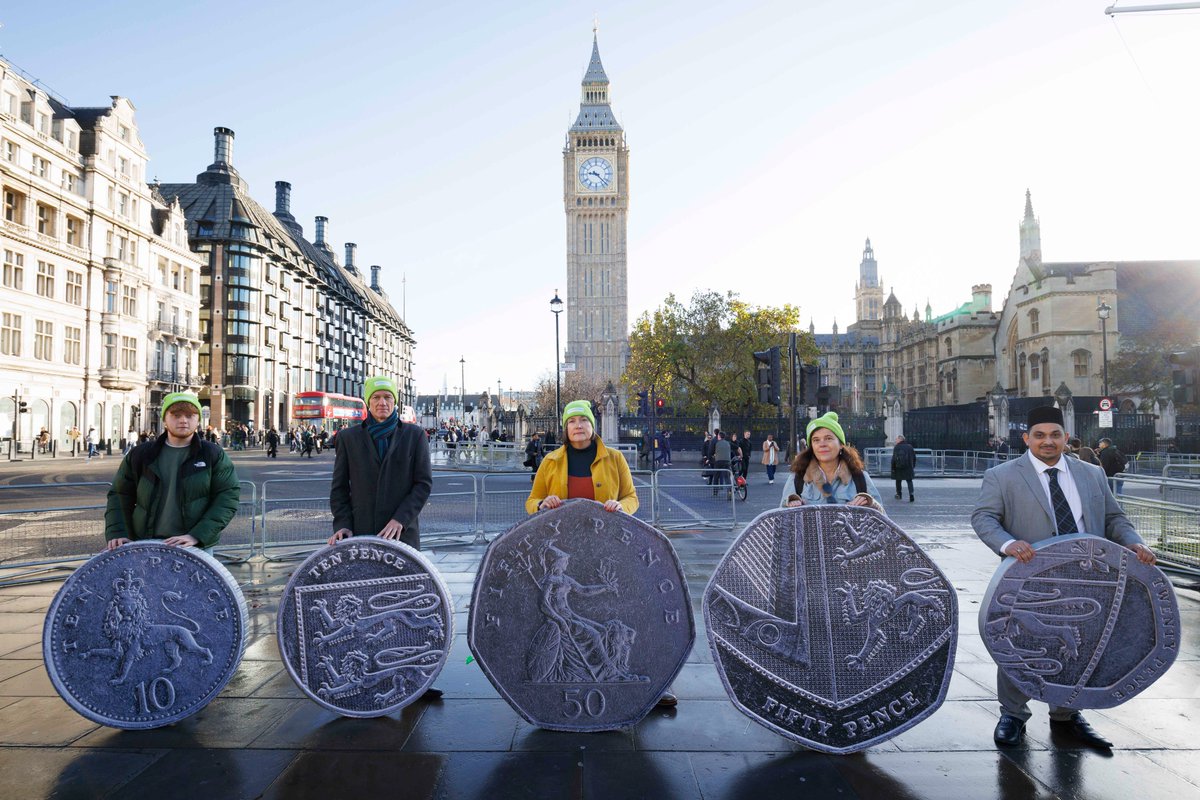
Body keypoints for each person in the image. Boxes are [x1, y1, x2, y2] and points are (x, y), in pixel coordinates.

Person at [971, 405, 1155, 750]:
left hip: (1086, 578)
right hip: (1028, 576)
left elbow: (1115, 518)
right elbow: (984, 518)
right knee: (1018, 643)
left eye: (1055, 435)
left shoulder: (1091, 473)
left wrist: (1135, 543)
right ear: (1026, 438)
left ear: (1065, 437)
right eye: (1039, 435)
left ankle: (1067, 715)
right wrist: (1008, 544)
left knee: (1079, 645)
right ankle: (1012, 714)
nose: (1048, 442)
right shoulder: (1003, 475)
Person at [524, 400, 674, 706]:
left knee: (628, 612)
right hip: (567, 550)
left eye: (583, 420)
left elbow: (632, 498)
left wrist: (622, 507)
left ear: (593, 425)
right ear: (565, 429)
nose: (578, 426)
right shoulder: (551, 461)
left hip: (608, 548)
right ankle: (597, 675)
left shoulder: (615, 458)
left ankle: (654, 681)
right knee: (597, 622)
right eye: (572, 421)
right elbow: (532, 501)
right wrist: (542, 504)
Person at [328, 375, 436, 698]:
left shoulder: (414, 436)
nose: (382, 404)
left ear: (395, 402)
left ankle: (417, 677)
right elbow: (339, 489)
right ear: (367, 403)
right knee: (369, 611)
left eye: (387, 398)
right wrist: (342, 524)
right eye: (376, 398)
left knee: (406, 608)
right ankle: (371, 675)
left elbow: (423, 484)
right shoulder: (348, 439)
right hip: (363, 536)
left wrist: (400, 519)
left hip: (403, 534)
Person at [104, 392, 240, 551]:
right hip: (145, 542)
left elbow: (227, 497)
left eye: (190, 415)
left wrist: (197, 535)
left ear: (198, 420)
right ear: (165, 419)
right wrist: (118, 532)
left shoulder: (212, 454)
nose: (183, 420)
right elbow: (120, 495)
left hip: (194, 546)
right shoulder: (141, 454)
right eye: (176, 415)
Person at [782, 412, 883, 510]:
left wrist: (870, 504)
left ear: (841, 444)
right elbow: (781, 523)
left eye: (828, 438)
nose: (822, 444)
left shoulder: (861, 478)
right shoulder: (797, 479)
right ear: (811, 446)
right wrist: (790, 506)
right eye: (816, 440)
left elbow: (883, 521)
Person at [891, 434, 916, 502]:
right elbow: (914, 457)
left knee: (898, 481)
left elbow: (894, 458)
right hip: (908, 467)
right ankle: (911, 494)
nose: (896, 440)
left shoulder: (897, 447)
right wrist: (912, 466)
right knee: (909, 481)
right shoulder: (909, 447)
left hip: (899, 467)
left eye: (897, 439)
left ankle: (899, 494)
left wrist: (893, 468)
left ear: (900, 439)